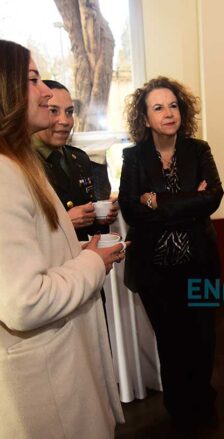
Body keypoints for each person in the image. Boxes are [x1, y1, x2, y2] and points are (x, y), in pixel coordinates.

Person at [0, 40, 125, 437]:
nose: (46, 93)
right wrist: (92, 261)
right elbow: (24, 301)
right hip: (44, 379)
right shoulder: (3, 174)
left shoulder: (18, 164)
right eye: (33, 79)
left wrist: (81, 250)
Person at [119, 76, 223, 428]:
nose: (168, 113)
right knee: (171, 341)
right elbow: (131, 210)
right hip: (155, 271)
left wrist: (156, 201)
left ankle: (203, 400)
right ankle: (179, 406)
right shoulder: (134, 157)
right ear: (145, 118)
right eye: (159, 107)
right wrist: (189, 201)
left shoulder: (199, 150)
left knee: (203, 338)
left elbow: (213, 198)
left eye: (174, 105)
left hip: (200, 264)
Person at [34, 80, 118, 242]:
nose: (65, 121)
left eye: (69, 112)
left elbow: (88, 222)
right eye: (53, 111)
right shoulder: (20, 164)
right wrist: (65, 222)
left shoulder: (79, 159)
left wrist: (99, 218)